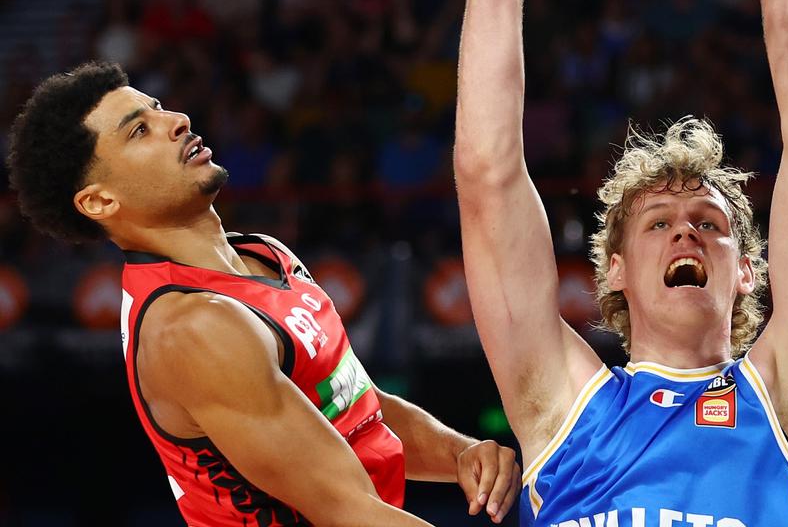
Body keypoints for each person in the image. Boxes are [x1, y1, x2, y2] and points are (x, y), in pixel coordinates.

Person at [454, 0, 788, 526]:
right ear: (612, 270)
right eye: (659, 223)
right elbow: (486, 173)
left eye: (710, 224)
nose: (687, 236)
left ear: (748, 272)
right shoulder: (559, 408)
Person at [6, 62, 520, 526]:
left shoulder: (263, 254)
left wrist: (460, 455)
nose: (177, 120)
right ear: (99, 201)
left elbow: (363, 409)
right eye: (140, 130)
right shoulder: (192, 327)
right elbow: (348, 512)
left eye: (158, 108)